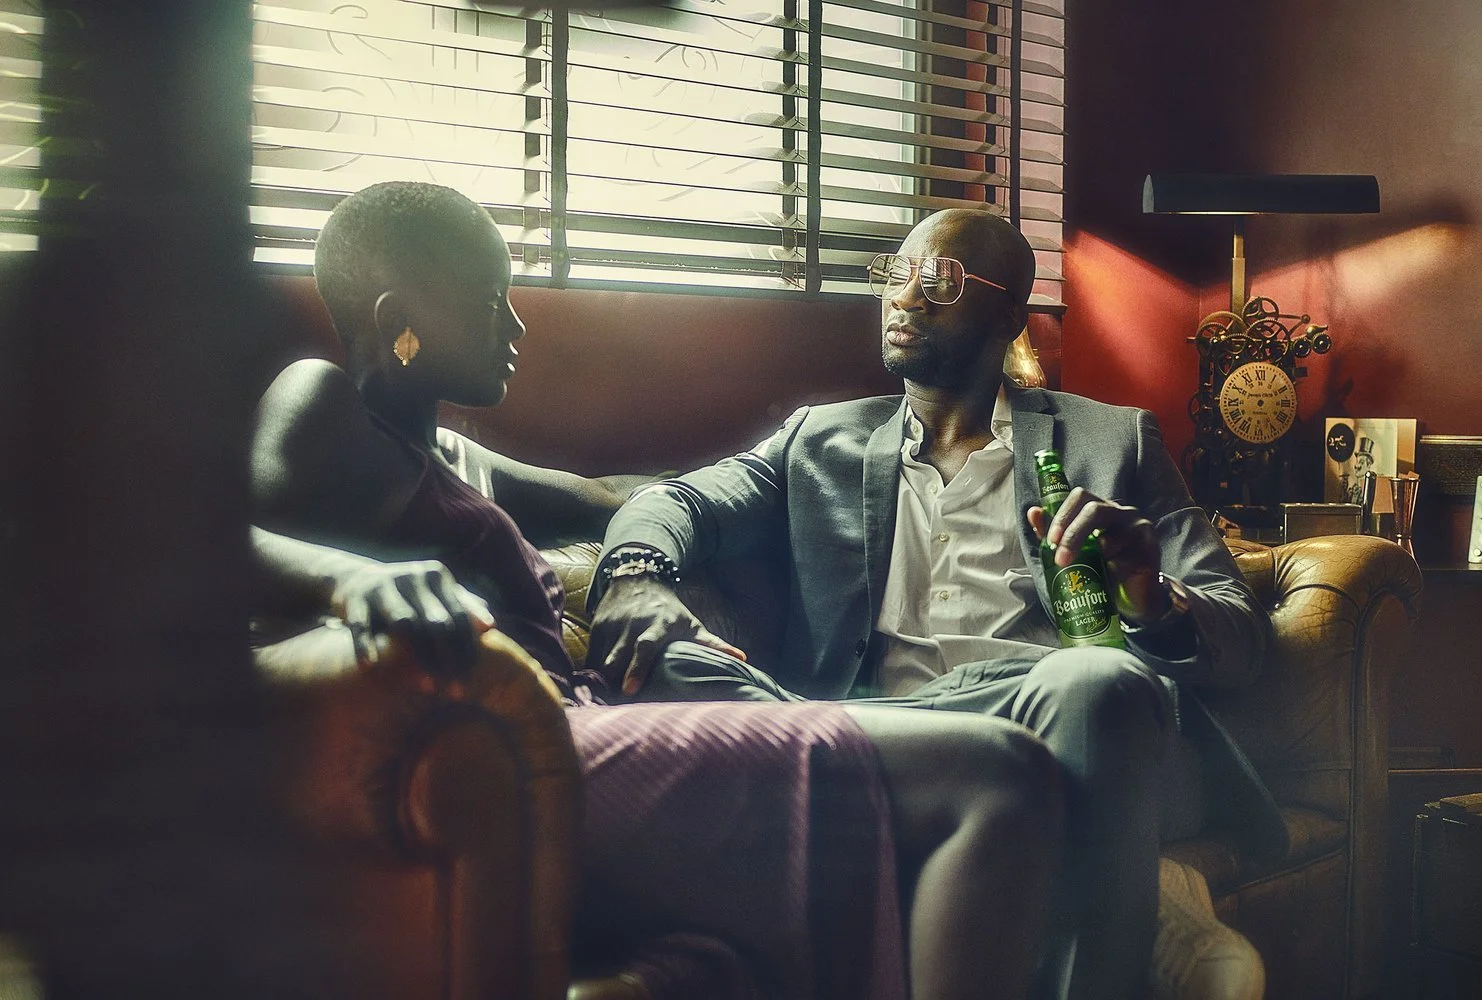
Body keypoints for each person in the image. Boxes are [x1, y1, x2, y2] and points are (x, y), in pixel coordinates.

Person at [249, 181, 1067, 1000]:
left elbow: (623, 496)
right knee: (1000, 775)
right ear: (400, 325)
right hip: (523, 758)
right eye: (490, 299)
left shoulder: (464, 462)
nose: (516, 324)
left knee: (728, 959)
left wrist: (775, 507)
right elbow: (200, 547)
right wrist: (350, 578)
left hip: (581, 724)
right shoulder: (318, 401)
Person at [586, 208, 1290, 1000]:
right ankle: (1162, 916)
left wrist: (1146, 591)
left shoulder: (1111, 440)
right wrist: (638, 573)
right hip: (878, 732)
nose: (905, 297)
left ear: (1007, 315)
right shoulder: (817, 440)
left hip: (1045, 712)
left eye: (940, 280)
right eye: (896, 273)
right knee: (680, 668)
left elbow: (1241, 631)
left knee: (1096, 684)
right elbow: (679, 502)